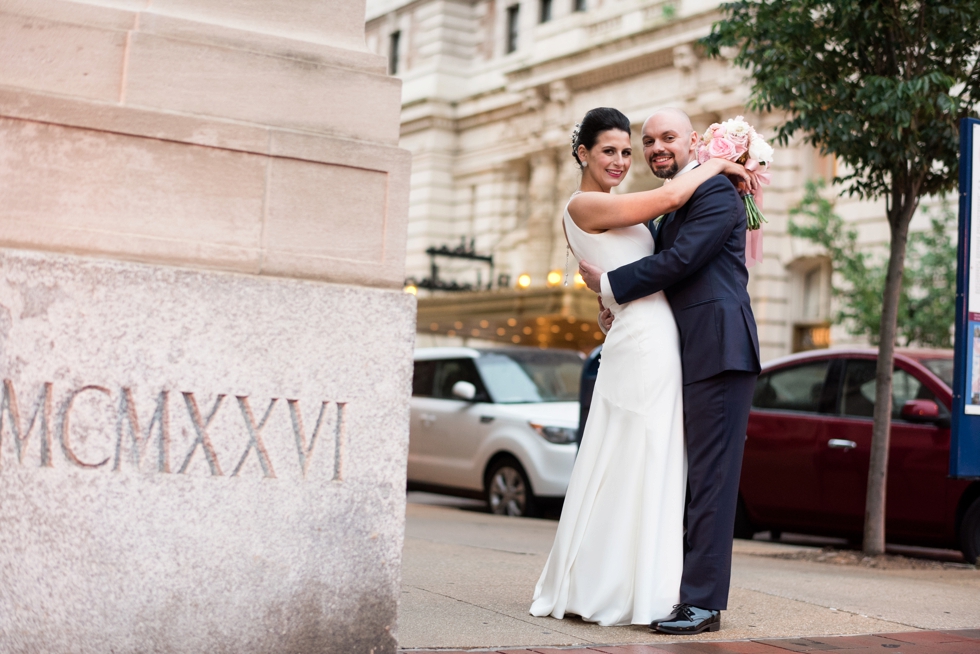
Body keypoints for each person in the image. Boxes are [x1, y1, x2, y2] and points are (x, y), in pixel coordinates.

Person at [529, 107, 751, 628]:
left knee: (698, 476)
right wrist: (614, 301)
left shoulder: (709, 194)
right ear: (582, 152)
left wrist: (609, 289)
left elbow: (678, 263)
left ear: (692, 141)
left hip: (713, 348)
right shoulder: (633, 207)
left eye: (655, 141)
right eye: (631, 145)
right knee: (648, 461)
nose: (639, 154)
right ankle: (639, 585)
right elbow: (661, 252)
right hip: (658, 346)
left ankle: (698, 601)